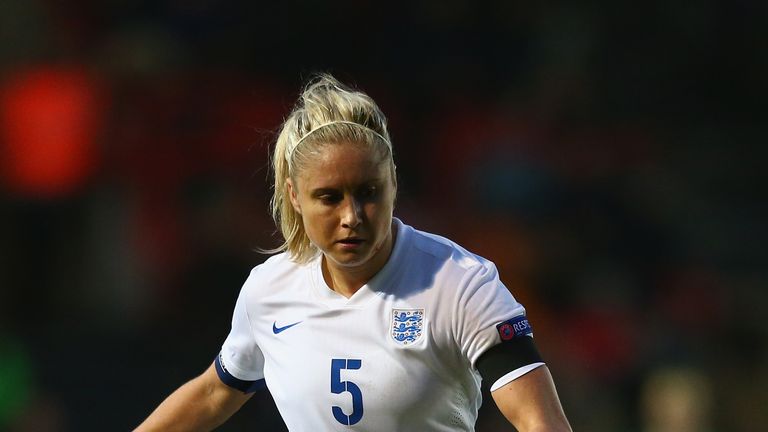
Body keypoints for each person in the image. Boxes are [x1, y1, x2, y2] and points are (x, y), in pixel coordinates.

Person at [135, 74, 572, 432]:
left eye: (368, 193)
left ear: (393, 185)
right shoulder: (268, 290)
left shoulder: (461, 283)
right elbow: (215, 392)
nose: (352, 216)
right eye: (329, 197)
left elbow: (539, 421)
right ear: (295, 196)